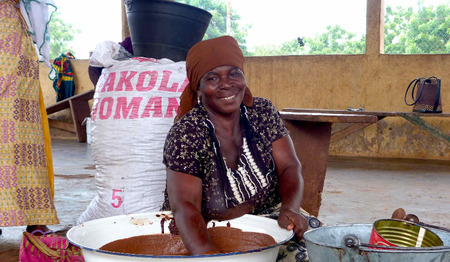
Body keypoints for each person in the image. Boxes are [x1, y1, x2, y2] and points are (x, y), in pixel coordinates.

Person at [162, 35, 322, 261]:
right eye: (213, 78)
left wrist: (291, 209)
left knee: (327, 248)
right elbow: (185, 207)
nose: (226, 84)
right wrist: (208, 255)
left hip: (270, 216)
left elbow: (289, 166)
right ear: (197, 89)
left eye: (234, 73)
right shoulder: (187, 133)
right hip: (203, 228)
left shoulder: (263, 112)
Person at [0, 0, 59, 236]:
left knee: (21, 132)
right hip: (9, 37)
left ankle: (36, 217)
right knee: (19, 132)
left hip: (9, 41)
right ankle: (36, 220)